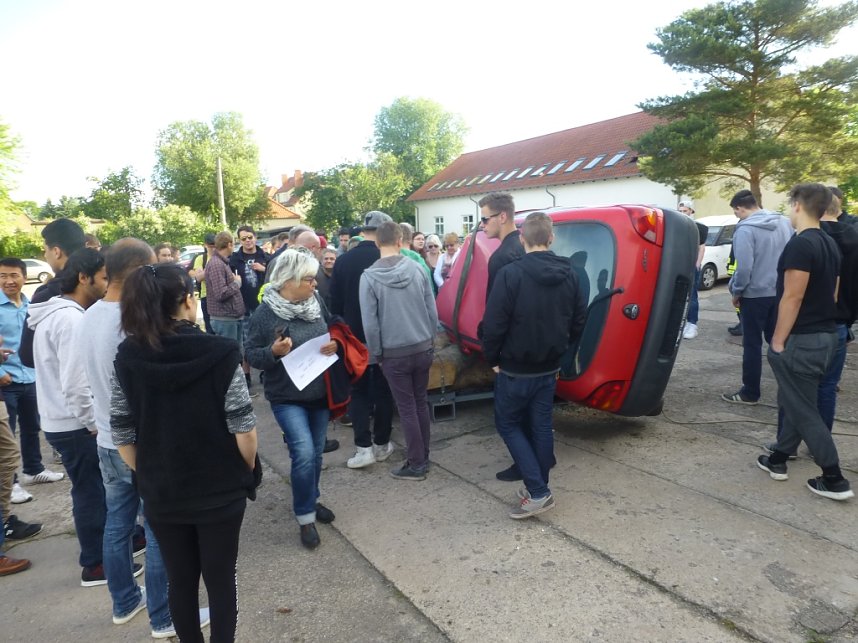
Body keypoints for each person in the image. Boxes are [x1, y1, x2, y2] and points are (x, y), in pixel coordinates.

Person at [111, 263, 258, 642]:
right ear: (188, 301)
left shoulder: (128, 356)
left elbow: (123, 434)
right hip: (220, 491)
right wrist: (243, 471)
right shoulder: (222, 352)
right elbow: (244, 429)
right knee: (222, 581)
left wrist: (149, 475)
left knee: (180, 580)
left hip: (163, 493)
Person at [74, 239, 195, 635]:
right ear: (141, 271)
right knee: (160, 531)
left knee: (117, 524)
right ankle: (164, 617)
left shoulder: (89, 315)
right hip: (140, 443)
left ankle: (124, 601)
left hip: (107, 439)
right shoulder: (132, 319)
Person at [482, 212, 586, 518]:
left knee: (508, 424)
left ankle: (539, 491)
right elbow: (579, 319)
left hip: (515, 368)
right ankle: (538, 486)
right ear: (551, 238)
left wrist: (493, 359)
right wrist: (562, 352)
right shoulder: (571, 273)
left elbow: (494, 324)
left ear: (522, 238)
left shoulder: (510, 274)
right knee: (540, 426)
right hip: (548, 366)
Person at [757, 183, 853, 501]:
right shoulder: (829, 242)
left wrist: (778, 340)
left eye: (789, 205)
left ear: (797, 205)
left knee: (803, 408)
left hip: (803, 339)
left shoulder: (800, 244)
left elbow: (792, 296)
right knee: (796, 401)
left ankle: (834, 477)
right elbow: (834, 292)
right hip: (828, 335)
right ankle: (778, 459)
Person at [28, 247, 110, 585]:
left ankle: (111, 545)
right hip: (74, 423)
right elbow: (76, 384)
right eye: (103, 278)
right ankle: (95, 563)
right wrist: (93, 423)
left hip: (60, 419)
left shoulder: (58, 313)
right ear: (83, 277)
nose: (107, 285)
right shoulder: (71, 319)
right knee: (90, 491)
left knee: (91, 488)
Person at [245, 249, 337, 549]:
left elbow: (330, 327)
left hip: (319, 393)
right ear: (288, 280)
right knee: (304, 453)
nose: (315, 284)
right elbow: (250, 354)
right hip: (287, 396)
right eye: (309, 279)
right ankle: (305, 516)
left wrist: (334, 344)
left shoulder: (315, 302)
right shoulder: (265, 313)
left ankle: (312, 498)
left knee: (316, 454)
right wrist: (273, 353)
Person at [360, 222, 438, 480]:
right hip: (422, 346)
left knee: (406, 407)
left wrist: (377, 354)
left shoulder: (369, 277)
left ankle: (417, 463)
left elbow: (370, 323)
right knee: (419, 403)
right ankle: (422, 455)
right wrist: (430, 340)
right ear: (400, 239)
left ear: (376, 243)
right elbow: (431, 310)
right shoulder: (418, 268)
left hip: (393, 352)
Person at [330, 211, 396, 469]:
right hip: (385, 335)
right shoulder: (387, 258)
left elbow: (334, 302)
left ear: (364, 231)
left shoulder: (344, 260)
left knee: (358, 393)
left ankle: (363, 447)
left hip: (353, 338)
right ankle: (381, 443)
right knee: (383, 391)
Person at [0, 258, 65, 505]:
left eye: (14, 275)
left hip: (30, 376)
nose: (9, 281)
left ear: (24, 277)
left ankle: (33, 469)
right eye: (3, 275)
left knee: (31, 428)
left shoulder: (29, 305)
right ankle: (11, 482)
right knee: (7, 436)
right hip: (6, 380)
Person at [722, 189, 793, 405]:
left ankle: (750, 393)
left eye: (737, 213)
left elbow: (743, 268)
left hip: (754, 296)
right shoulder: (785, 223)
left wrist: (737, 291)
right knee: (778, 342)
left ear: (739, 208)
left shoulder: (745, 230)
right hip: (780, 293)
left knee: (752, 345)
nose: (738, 217)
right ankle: (792, 388)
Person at [479, 192, 526, 481]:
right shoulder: (524, 246)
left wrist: (491, 352)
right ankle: (540, 457)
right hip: (532, 345)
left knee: (509, 415)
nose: (481, 225)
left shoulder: (502, 257)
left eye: (484, 219)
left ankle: (525, 465)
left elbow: (498, 312)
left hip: (511, 348)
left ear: (502, 217)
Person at [18, 217, 86, 368]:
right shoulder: (100, 284)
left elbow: (28, 355)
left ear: (56, 251)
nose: (46, 256)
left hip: (60, 386)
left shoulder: (46, 295)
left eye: (45, 250)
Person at [230, 226, 269, 390]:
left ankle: (265, 372)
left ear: (255, 237)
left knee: (266, 340)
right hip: (244, 306)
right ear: (239, 241)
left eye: (250, 237)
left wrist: (264, 269)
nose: (247, 241)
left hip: (264, 306)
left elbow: (275, 277)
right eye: (243, 238)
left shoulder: (265, 256)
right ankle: (246, 375)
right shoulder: (234, 259)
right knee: (247, 342)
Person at [205, 231, 245, 349]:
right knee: (231, 356)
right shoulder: (217, 264)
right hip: (225, 319)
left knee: (237, 354)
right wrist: (237, 283)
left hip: (231, 318)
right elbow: (220, 293)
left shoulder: (222, 262)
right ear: (229, 244)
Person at [678, 200, 708, 340]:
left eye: (685, 211)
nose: (683, 213)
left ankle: (692, 324)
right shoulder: (677, 227)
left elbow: (701, 247)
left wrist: (697, 263)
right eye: (681, 211)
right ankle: (680, 323)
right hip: (679, 265)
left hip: (692, 266)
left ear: (691, 211)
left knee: (692, 296)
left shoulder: (699, 227)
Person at [190, 233, 217, 334]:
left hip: (220, 295)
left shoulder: (223, 256)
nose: (213, 248)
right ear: (205, 245)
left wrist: (205, 271)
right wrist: (212, 268)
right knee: (209, 328)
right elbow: (199, 278)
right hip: (206, 295)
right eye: (211, 246)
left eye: (215, 245)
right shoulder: (201, 258)